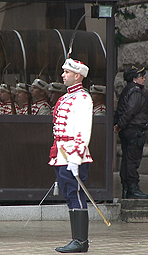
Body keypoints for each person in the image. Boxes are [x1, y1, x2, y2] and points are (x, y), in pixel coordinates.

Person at [49, 58, 93, 253]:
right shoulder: (67, 97)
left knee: (75, 194)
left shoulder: (83, 98)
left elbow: (83, 131)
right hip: (61, 154)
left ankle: (81, 241)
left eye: (66, 72)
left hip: (74, 155)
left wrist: (75, 158)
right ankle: (77, 239)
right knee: (69, 195)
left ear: (77, 76)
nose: (62, 75)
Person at [114, 66, 148, 199]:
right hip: (134, 130)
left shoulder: (127, 90)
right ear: (134, 79)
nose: (144, 79)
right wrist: (120, 124)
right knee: (132, 161)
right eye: (141, 77)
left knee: (127, 160)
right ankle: (133, 189)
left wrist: (120, 125)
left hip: (129, 130)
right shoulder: (136, 92)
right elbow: (130, 111)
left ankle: (127, 188)